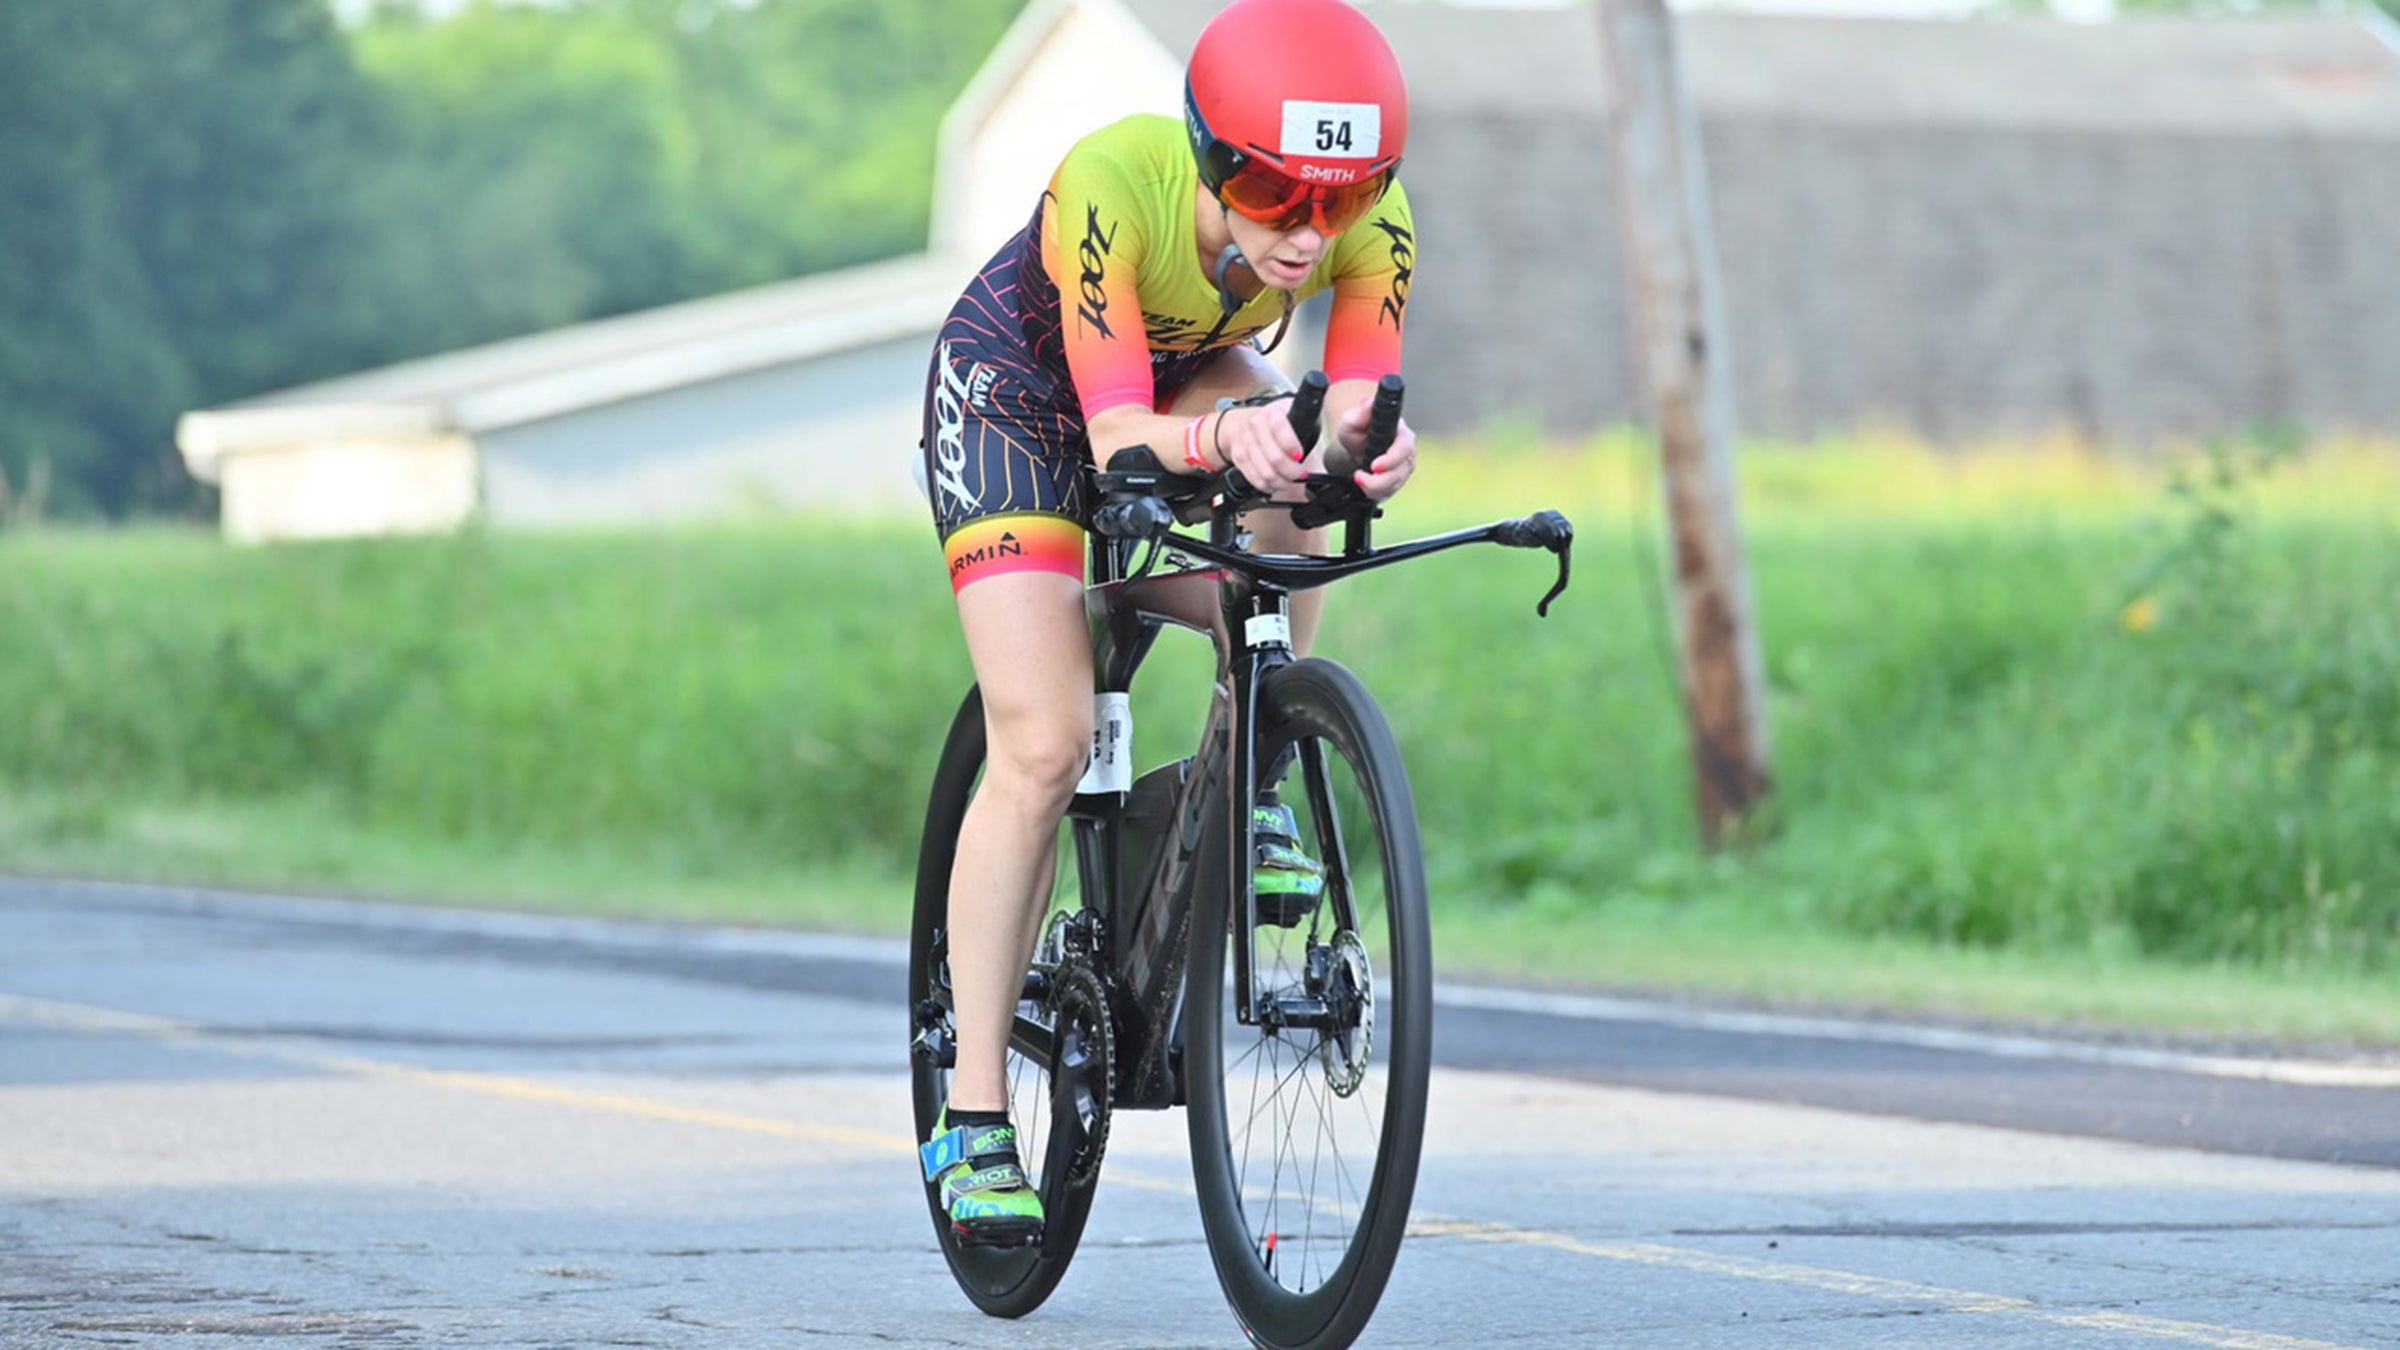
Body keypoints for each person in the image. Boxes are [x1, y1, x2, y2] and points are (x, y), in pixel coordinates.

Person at [914, 0, 1419, 1247]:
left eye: (1343, 200)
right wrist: (1225, 439)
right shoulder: (1114, 181)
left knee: (1298, 503)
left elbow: (1349, 406)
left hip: (1185, 386)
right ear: (1207, 154)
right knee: (1044, 742)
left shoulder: (1368, 226)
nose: (1308, 233)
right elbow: (1115, 437)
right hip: (1024, 404)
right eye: (1272, 192)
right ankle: (973, 1113)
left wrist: (1363, 449)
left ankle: (1252, 775)